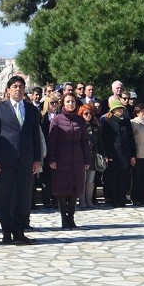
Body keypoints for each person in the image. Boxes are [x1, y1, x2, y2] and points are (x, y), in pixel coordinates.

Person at [0, 75, 41, 243]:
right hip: (5, 160)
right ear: (8, 90)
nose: (18, 89)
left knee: (24, 197)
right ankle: (6, 232)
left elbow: (35, 136)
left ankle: (19, 231)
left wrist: (37, 159)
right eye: (15, 86)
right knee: (6, 196)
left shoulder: (31, 109)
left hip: (26, 161)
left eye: (21, 86)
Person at [48, 94, 90, 228]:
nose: (70, 104)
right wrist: (52, 158)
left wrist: (86, 159)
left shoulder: (80, 121)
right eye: (67, 101)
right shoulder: (57, 120)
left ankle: (71, 217)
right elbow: (52, 141)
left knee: (75, 189)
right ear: (63, 104)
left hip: (77, 159)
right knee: (62, 189)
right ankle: (63, 218)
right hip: (61, 159)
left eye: (72, 101)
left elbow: (85, 142)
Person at [101, 99, 136, 207]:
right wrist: (107, 155)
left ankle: (121, 198)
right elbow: (104, 140)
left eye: (121, 109)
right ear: (113, 110)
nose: (120, 111)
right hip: (114, 154)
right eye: (117, 109)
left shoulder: (126, 121)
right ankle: (114, 199)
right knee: (113, 177)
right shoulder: (107, 121)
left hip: (125, 153)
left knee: (123, 177)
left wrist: (133, 155)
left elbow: (131, 139)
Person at [78, 104, 102, 208]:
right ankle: (82, 201)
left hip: (93, 156)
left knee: (91, 180)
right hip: (81, 156)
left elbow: (100, 142)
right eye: (85, 113)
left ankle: (89, 200)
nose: (88, 115)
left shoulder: (95, 126)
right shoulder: (78, 126)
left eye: (90, 113)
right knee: (82, 180)